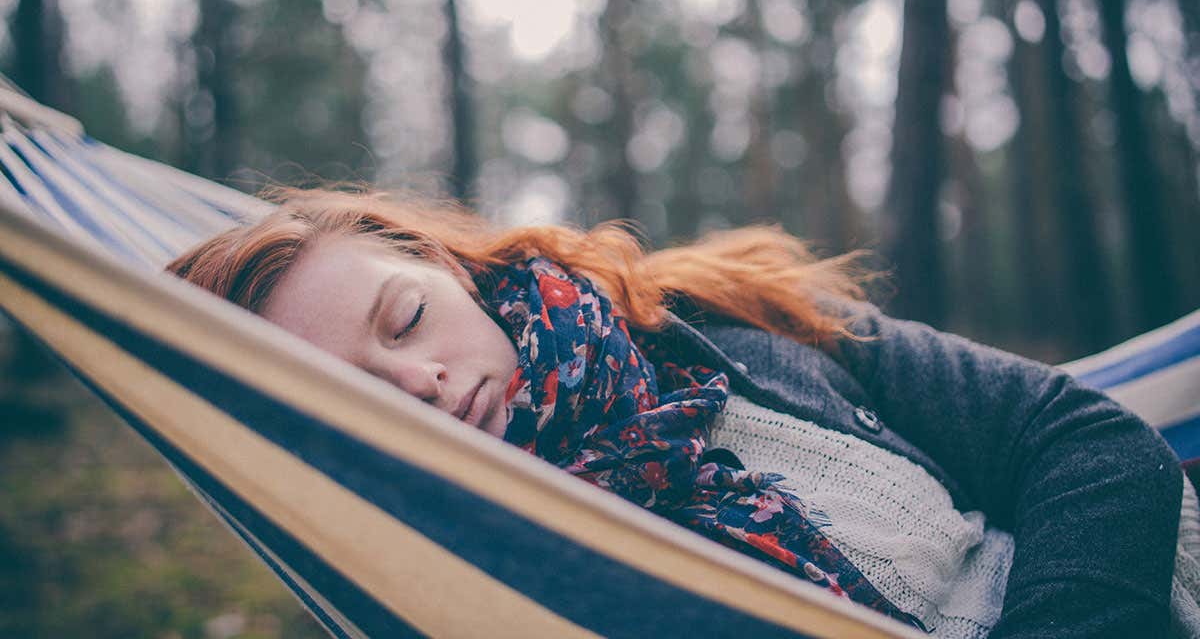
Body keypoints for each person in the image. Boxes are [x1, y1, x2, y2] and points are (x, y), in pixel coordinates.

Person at [167, 187, 1199, 638]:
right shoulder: (462, 579)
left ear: (444, 264)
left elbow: (1087, 437)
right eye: (358, 392)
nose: (423, 383)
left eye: (407, 320)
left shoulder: (708, 314)